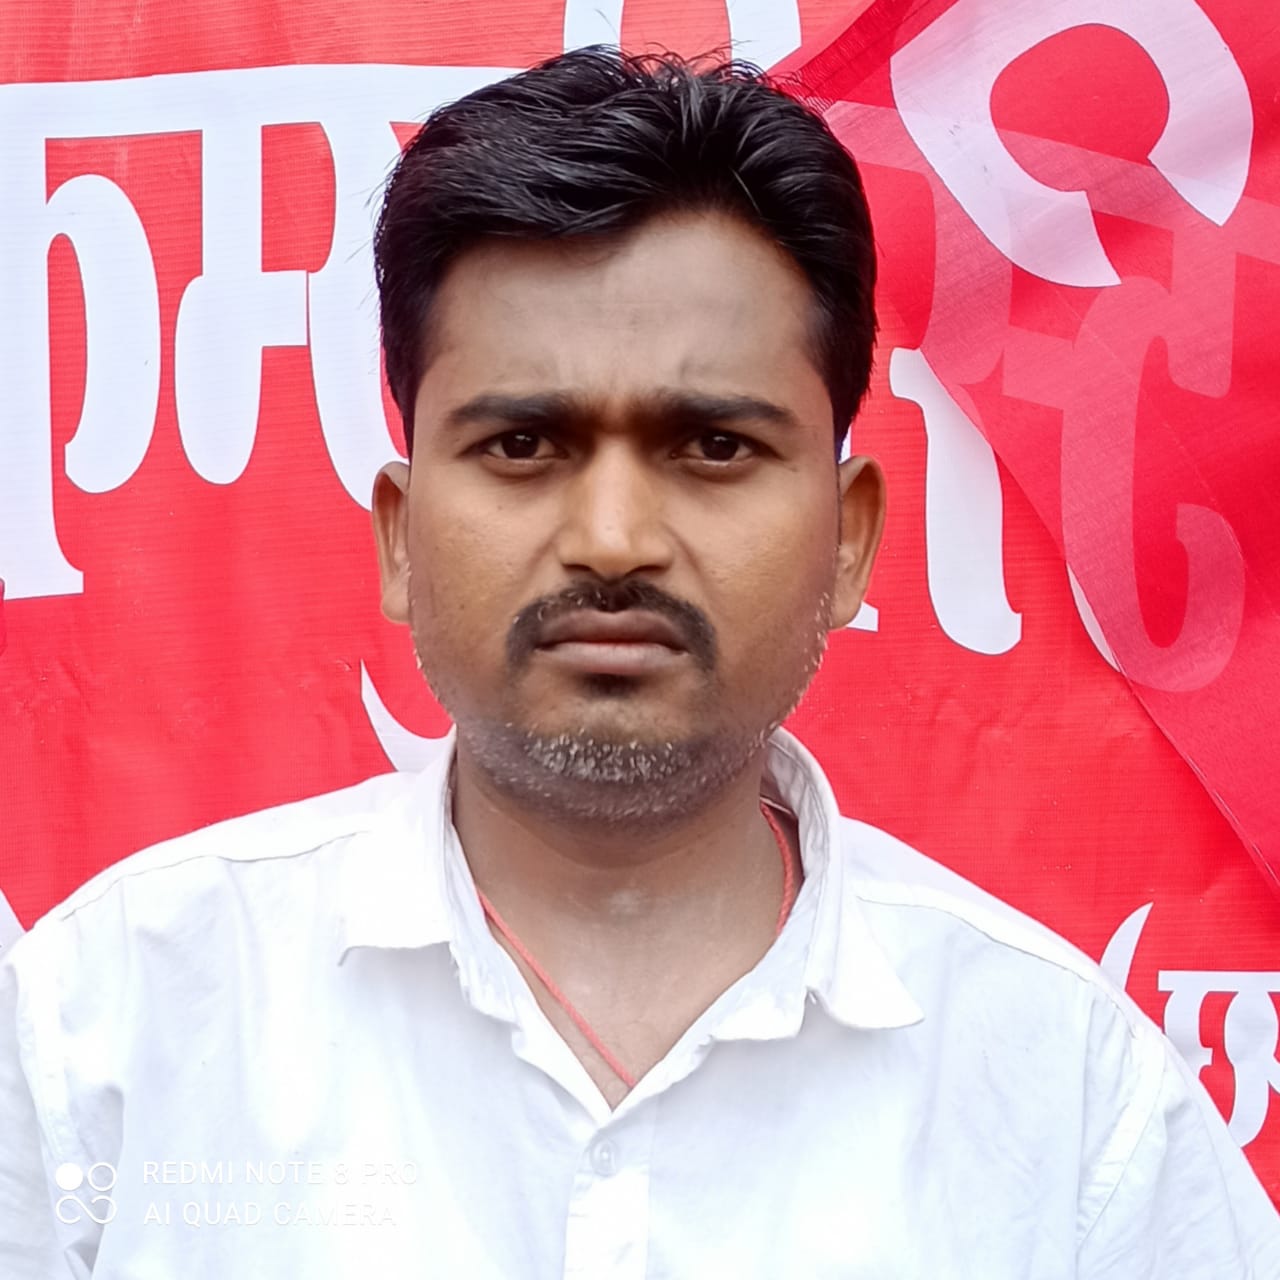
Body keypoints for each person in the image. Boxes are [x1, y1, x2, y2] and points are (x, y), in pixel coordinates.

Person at [2, 47, 1277, 1280]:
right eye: (521, 445)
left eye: (713, 446)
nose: (612, 539)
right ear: (398, 534)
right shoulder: (111, 1028)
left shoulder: (1071, 1104)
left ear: (848, 540)